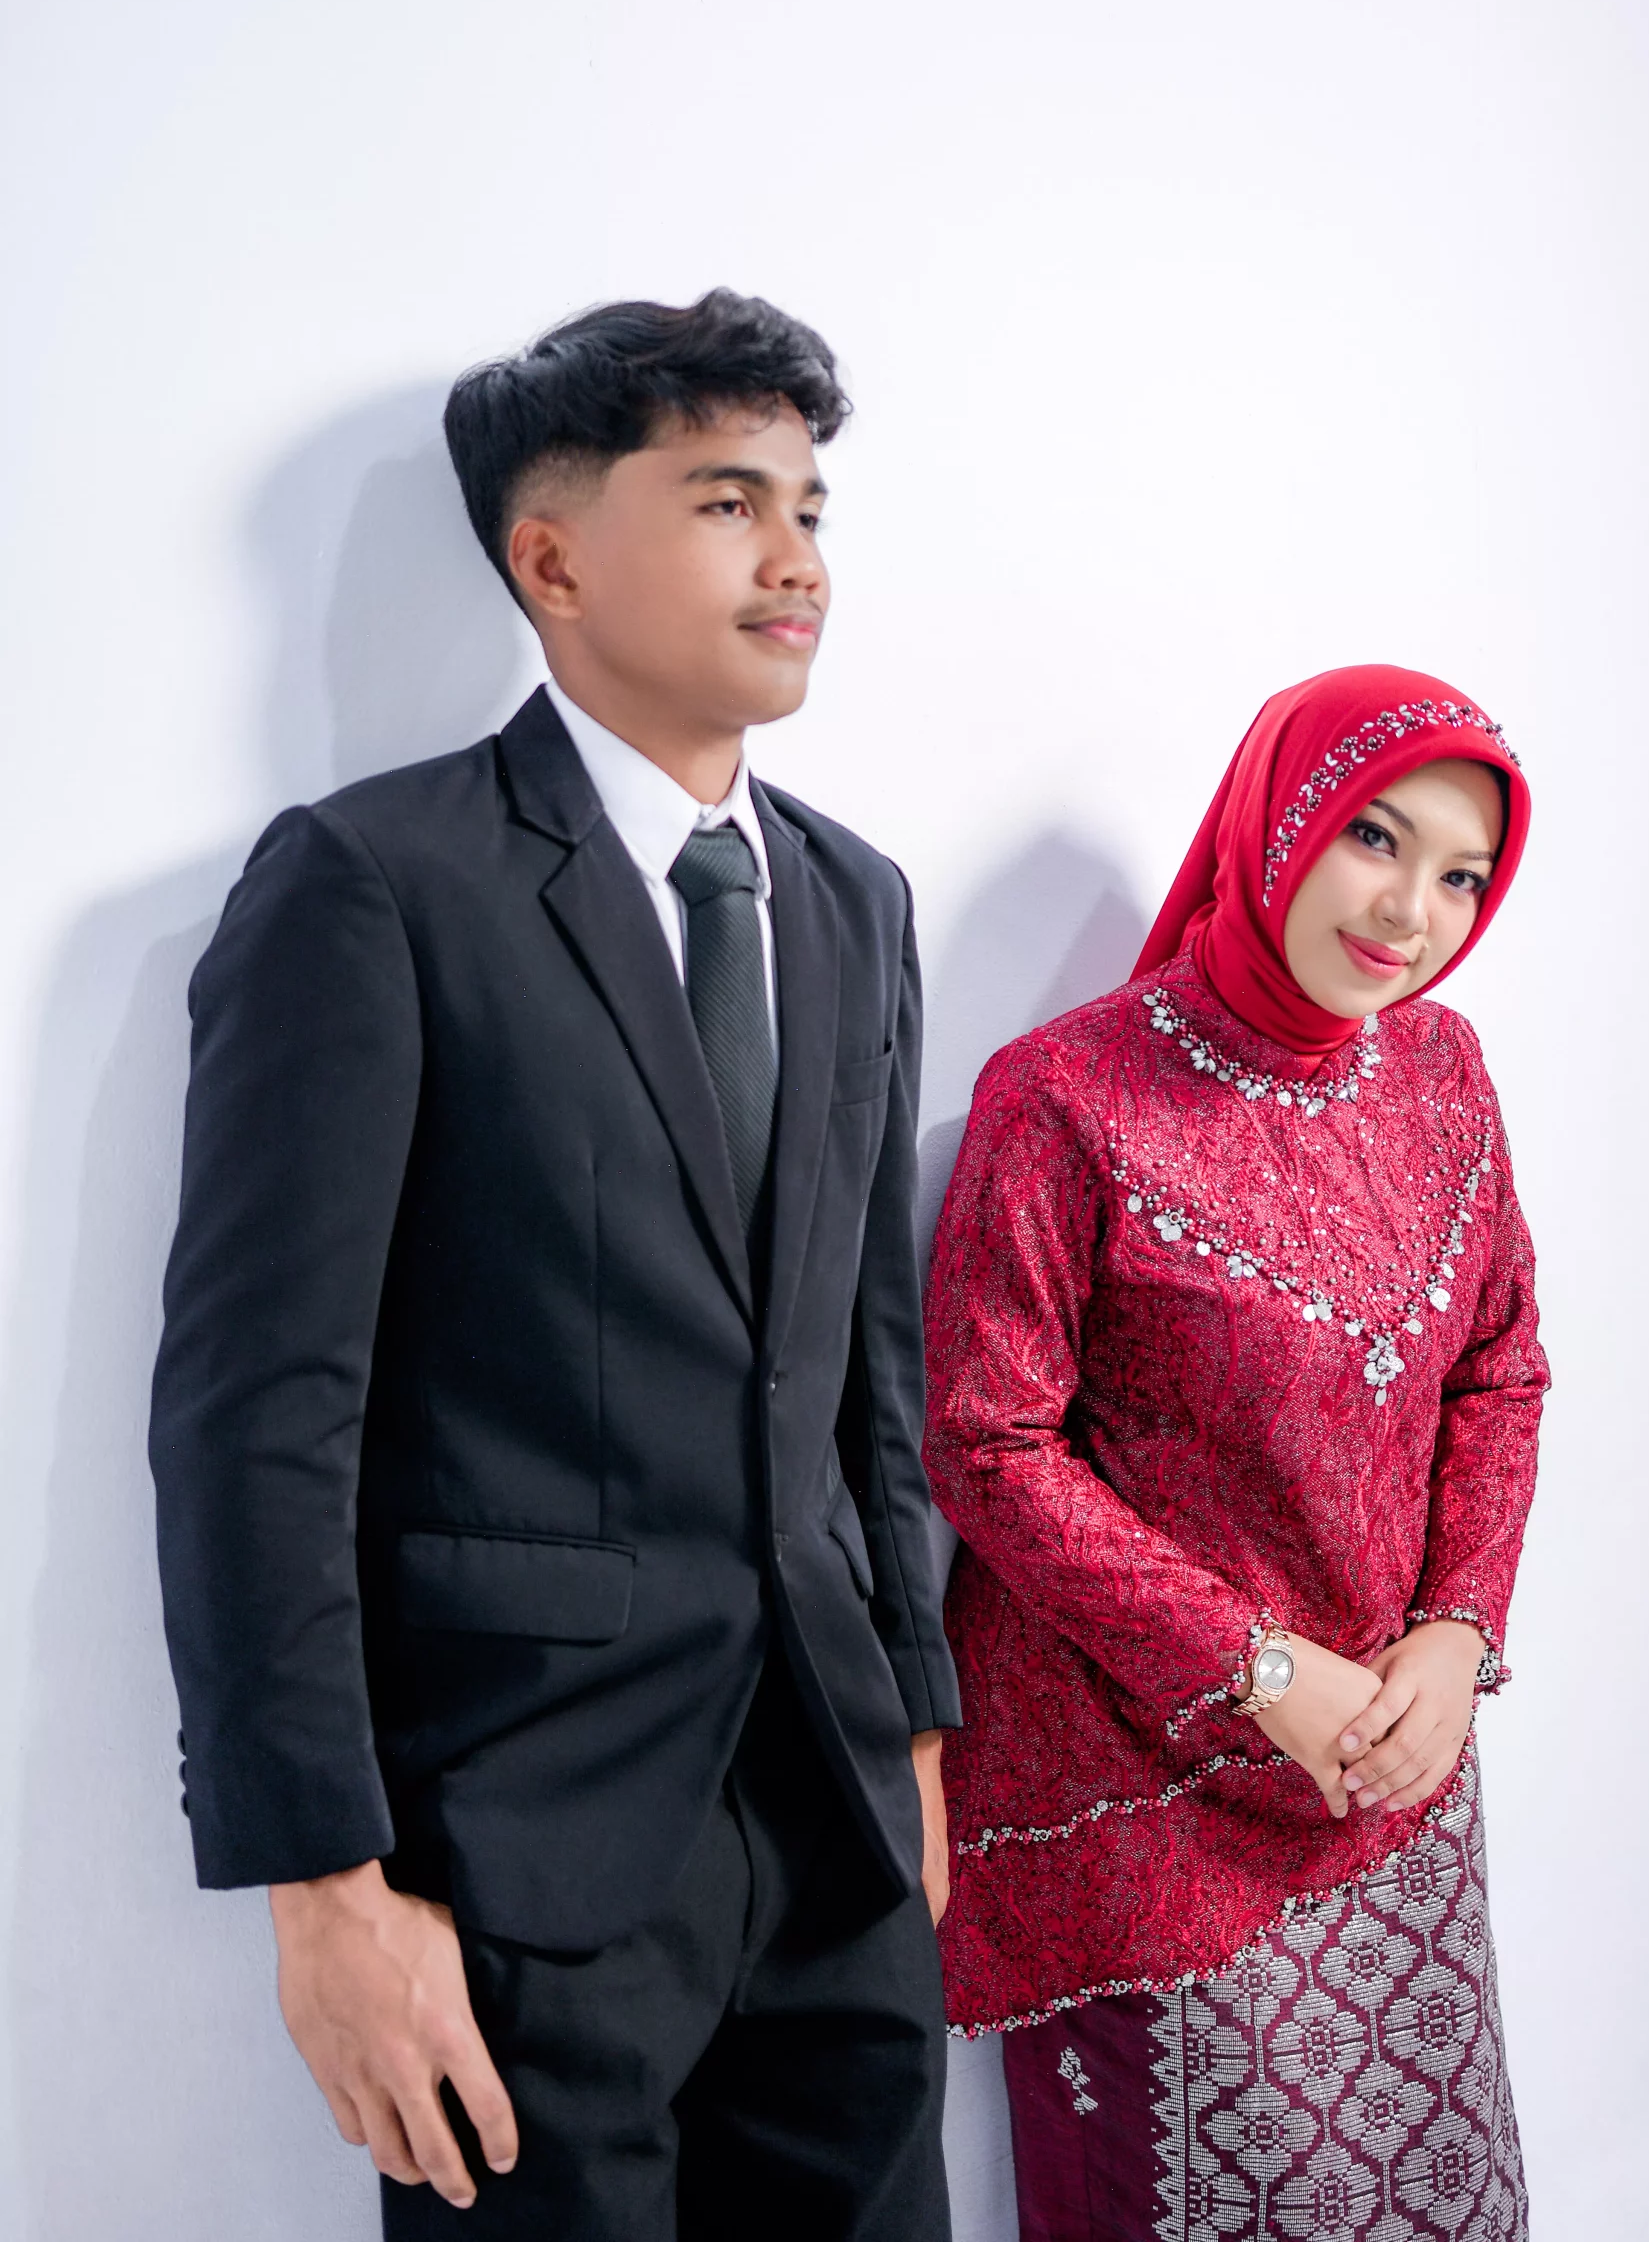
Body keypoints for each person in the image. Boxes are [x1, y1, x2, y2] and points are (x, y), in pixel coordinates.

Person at [149, 290, 959, 2238]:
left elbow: (873, 1370)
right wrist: (324, 1887)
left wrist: (919, 1728)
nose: (797, 559)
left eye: (812, 509)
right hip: (516, 1843)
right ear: (553, 559)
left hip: (839, 1832)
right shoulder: (375, 881)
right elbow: (261, 1412)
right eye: (728, 501)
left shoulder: (854, 900)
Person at [923, 666, 1545, 2241]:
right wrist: (1258, 1672)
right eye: (1373, 839)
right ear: (1277, 822)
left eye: (1459, 875)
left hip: (1386, 1761)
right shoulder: (1063, 1096)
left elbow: (1497, 1366)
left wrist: (1456, 1631)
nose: (1407, 912)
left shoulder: (1442, 1073)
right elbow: (988, 1445)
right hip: (1138, 1793)